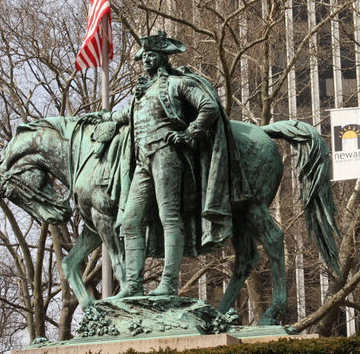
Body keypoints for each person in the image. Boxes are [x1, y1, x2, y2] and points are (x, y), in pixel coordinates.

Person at [95, 31, 250, 297]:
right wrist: (102, 120)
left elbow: (208, 106)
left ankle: (168, 282)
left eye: (151, 55)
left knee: (170, 218)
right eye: (143, 56)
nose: (146, 60)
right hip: (142, 161)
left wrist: (190, 132)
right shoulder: (139, 94)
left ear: (163, 58)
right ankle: (133, 284)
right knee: (130, 221)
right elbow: (124, 117)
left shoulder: (176, 84)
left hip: (167, 155)